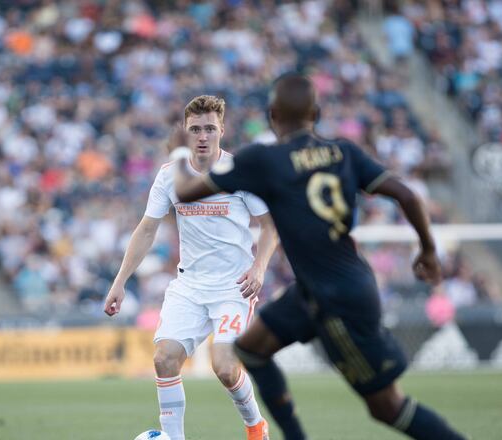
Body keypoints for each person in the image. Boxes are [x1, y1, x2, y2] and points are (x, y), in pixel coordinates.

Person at [172, 74, 465, 440]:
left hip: (338, 300)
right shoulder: (344, 152)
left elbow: (185, 192)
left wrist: (179, 152)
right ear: (317, 113)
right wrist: (428, 251)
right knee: (252, 349)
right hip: (324, 287)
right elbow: (407, 196)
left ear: (271, 114)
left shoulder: (264, 160)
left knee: (387, 407)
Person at [104, 95, 278, 440]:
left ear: (222, 130)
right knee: (164, 359)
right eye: (195, 129)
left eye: (209, 129)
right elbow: (147, 228)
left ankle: (256, 425)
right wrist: (120, 281)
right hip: (189, 286)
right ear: (185, 133)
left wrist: (259, 268)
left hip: (234, 287)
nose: (202, 136)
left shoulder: (240, 174)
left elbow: (271, 227)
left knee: (225, 369)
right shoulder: (170, 176)